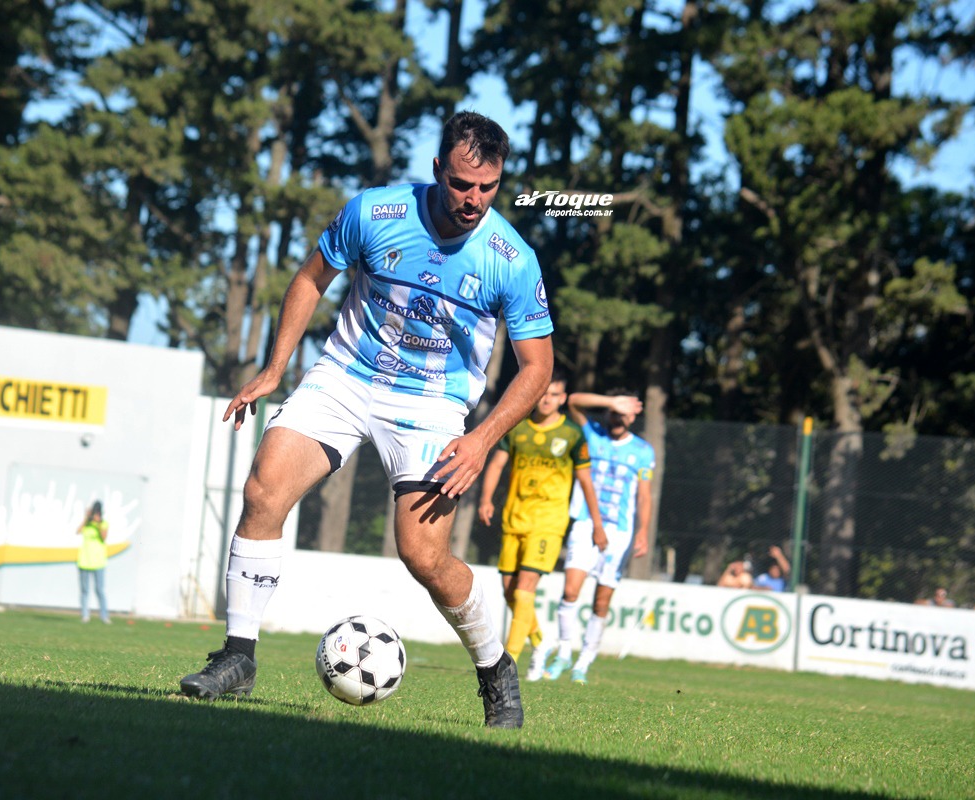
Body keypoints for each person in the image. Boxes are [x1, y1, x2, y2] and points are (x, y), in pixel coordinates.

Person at [178, 111, 553, 730]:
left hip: (432, 404)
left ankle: (495, 672)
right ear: (437, 170)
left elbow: (536, 368)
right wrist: (276, 369)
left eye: (488, 187)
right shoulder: (376, 213)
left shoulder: (510, 257)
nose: (474, 200)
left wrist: (482, 439)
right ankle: (237, 657)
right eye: (462, 184)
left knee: (424, 554)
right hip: (346, 376)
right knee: (262, 490)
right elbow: (310, 277)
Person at [476, 371, 606, 683]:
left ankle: (506, 663)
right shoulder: (517, 428)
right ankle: (540, 641)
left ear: (563, 399)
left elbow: (586, 482)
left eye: (555, 395)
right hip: (515, 518)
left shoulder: (574, 435)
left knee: (524, 589)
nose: (547, 400)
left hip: (549, 522)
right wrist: (485, 499)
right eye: (543, 394)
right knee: (510, 591)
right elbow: (496, 463)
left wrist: (597, 524)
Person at [543, 390, 654, 685]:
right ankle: (565, 651)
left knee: (601, 603)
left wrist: (643, 531)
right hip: (585, 524)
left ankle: (584, 662)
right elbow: (574, 401)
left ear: (633, 417)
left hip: (620, 533)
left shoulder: (643, 451)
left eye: (625, 412)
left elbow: (644, 496)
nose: (619, 417)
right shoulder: (591, 434)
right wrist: (611, 401)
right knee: (570, 592)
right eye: (615, 411)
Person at [76, 500, 110, 624]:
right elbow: (78, 531)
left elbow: (104, 537)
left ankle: (104, 616)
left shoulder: (103, 523)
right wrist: (87, 518)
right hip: (84, 560)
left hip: (98, 561)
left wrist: (98, 522)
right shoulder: (87, 524)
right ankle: (85, 615)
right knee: (84, 590)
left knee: (99, 590)